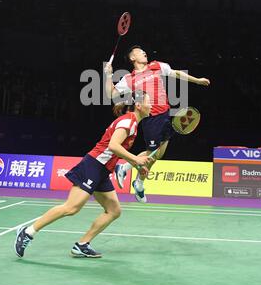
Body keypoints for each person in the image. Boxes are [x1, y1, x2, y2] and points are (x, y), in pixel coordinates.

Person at [14, 90, 152, 259]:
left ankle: (82, 245)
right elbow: (114, 146)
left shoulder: (133, 124)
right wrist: (136, 160)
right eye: (148, 102)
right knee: (71, 208)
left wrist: (135, 165)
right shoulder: (128, 122)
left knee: (114, 210)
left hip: (103, 170)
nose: (151, 105)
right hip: (93, 165)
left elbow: (117, 152)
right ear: (138, 105)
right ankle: (28, 232)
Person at [105, 46, 210, 203]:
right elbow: (110, 94)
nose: (144, 52)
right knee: (152, 152)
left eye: (143, 51)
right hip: (151, 118)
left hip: (166, 113)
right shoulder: (129, 79)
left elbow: (176, 73)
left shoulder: (157, 66)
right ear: (132, 58)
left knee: (157, 154)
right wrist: (108, 75)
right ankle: (126, 169)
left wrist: (197, 80)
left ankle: (137, 182)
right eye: (139, 51)